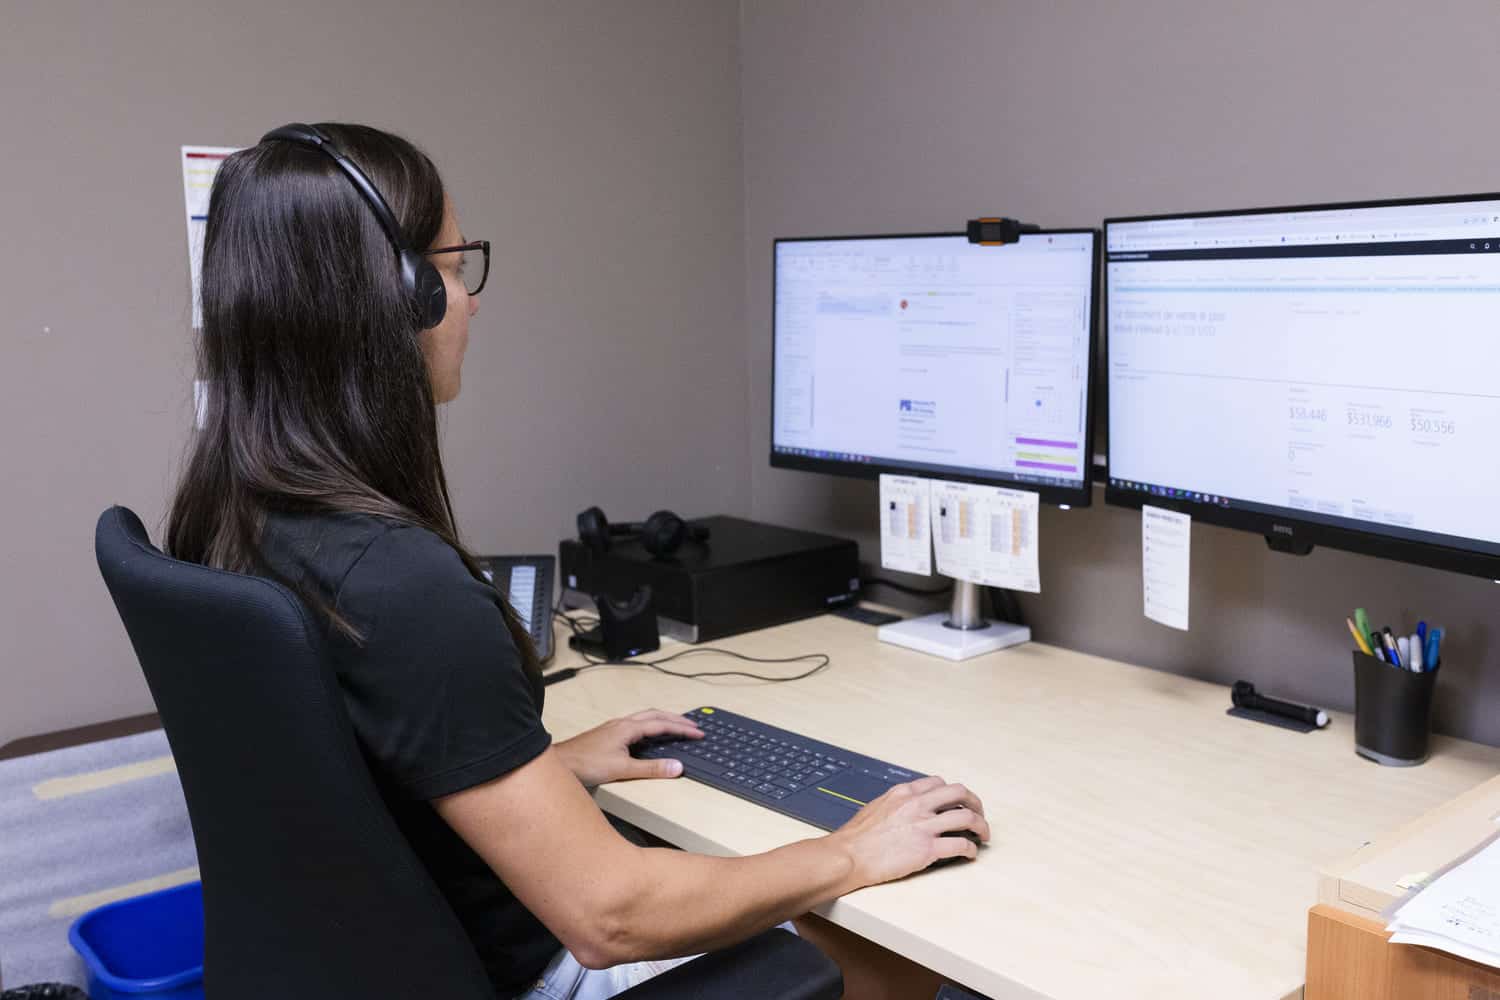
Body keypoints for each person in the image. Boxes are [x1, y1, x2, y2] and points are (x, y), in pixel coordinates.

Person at [166, 122, 989, 999]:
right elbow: (611, 917)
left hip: (400, 961)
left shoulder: (234, 516)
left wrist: (541, 768)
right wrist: (848, 851)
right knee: (896, 940)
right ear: (395, 296)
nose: (471, 299)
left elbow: (351, 791)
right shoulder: (401, 584)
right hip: (532, 971)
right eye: (453, 265)